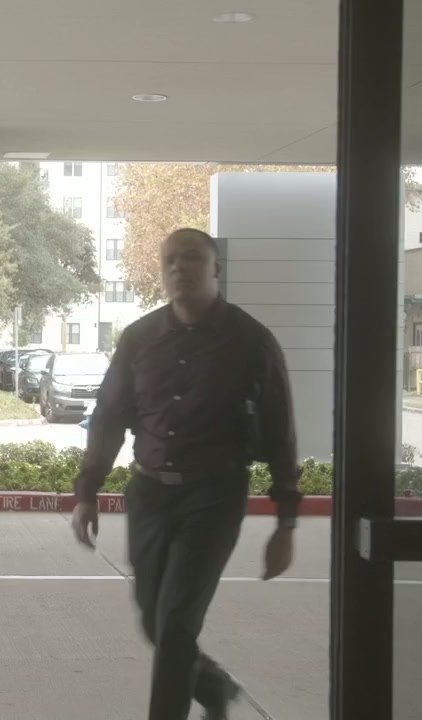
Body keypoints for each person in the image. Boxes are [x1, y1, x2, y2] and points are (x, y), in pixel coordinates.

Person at [70, 228, 300, 720]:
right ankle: (214, 688)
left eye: (192, 258)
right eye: (170, 259)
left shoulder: (251, 341)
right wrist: (87, 492)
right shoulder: (139, 339)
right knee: (154, 622)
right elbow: (109, 417)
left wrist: (286, 524)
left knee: (175, 625)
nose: (179, 268)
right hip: (149, 496)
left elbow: (281, 431)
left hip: (214, 498)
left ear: (216, 268)